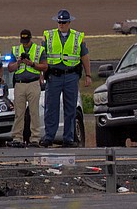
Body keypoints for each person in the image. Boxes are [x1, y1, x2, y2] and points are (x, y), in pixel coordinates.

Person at [35, 9, 92, 147]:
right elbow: (42, 57)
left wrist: (88, 75)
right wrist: (40, 74)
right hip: (54, 76)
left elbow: (84, 56)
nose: (61, 24)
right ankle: (49, 137)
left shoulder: (78, 37)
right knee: (51, 107)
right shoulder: (48, 36)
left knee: (71, 108)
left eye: (64, 22)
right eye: (59, 22)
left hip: (71, 75)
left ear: (69, 22)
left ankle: (68, 138)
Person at [7, 28, 45, 146]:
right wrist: (18, 62)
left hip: (33, 83)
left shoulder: (39, 50)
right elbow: (10, 68)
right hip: (19, 83)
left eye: (26, 41)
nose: (24, 43)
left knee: (34, 112)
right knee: (19, 112)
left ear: (30, 39)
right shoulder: (15, 50)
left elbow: (45, 66)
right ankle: (17, 137)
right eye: (23, 40)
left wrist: (32, 64)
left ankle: (35, 138)